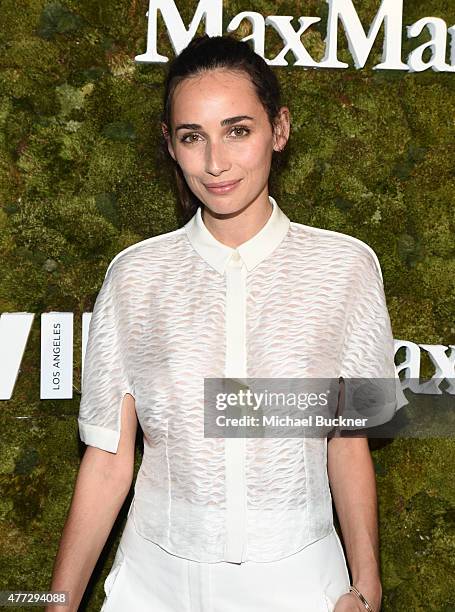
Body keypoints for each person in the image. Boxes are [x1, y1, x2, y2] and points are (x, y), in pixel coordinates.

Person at [47, 34, 406, 612]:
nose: (215, 162)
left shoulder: (346, 267)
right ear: (171, 145)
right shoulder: (135, 276)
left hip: (302, 581)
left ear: (279, 128)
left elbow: (348, 439)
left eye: (238, 130)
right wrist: (57, 604)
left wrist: (366, 588)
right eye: (193, 137)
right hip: (152, 584)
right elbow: (110, 460)